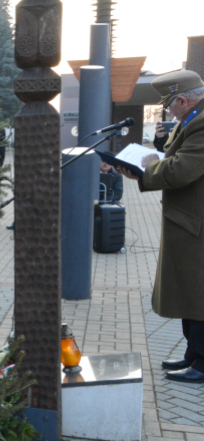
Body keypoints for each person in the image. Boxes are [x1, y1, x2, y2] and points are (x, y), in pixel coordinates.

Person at [116, 70, 204, 383]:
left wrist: (148, 166)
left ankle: (201, 363)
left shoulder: (201, 122)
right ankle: (193, 355)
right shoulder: (193, 118)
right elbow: (176, 160)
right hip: (188, 223)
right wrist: (144, 168)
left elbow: (181, 169)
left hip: (196, 227)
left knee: (197, 294)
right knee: (188, 292)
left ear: (182, 99)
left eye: (168, 104)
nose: (167, 110)